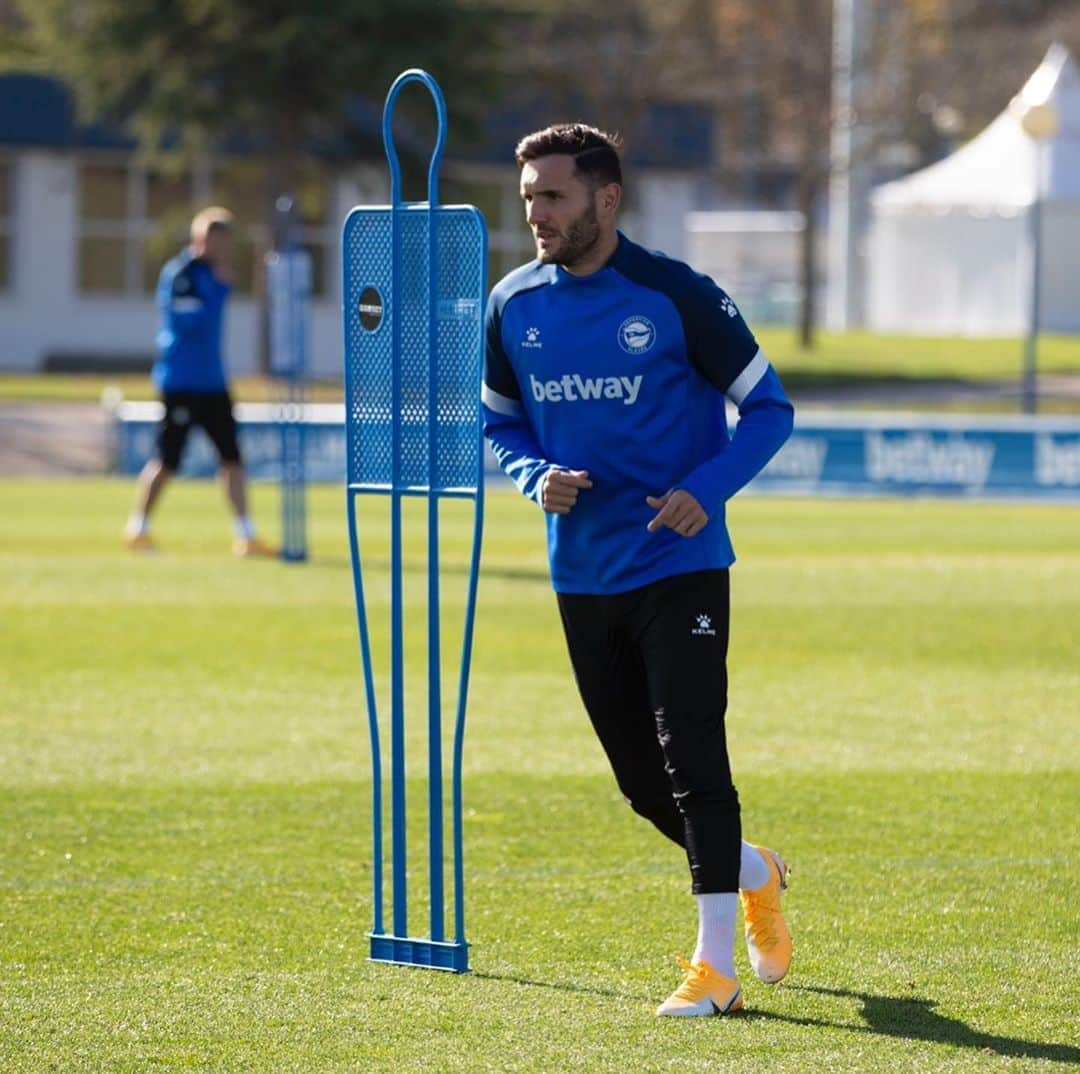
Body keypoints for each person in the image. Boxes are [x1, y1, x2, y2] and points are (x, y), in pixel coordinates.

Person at [482, 124, 796, 1017]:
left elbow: (769, 411)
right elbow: (500, 424)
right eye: (529, 197)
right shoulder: (512, 305)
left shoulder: (676, 295)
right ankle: (754, 872)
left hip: (681, 562)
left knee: (695, 757)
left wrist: (708, 488)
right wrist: (535, 475)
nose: (536, 212)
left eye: (553, 196)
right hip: (582, 574)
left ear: (605, 199)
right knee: (642, 786)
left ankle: (715, 970)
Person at [124, 207, 275, 557]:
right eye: (218, 241)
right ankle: (138, 527)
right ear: (201, 239)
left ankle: (246, 534)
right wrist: (220, 291)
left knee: (232, 457)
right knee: (167, 459)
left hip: (213, 382)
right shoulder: (182, 274)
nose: (222, 249)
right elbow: (191, 321)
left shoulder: (213, 274)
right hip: (181, 382)